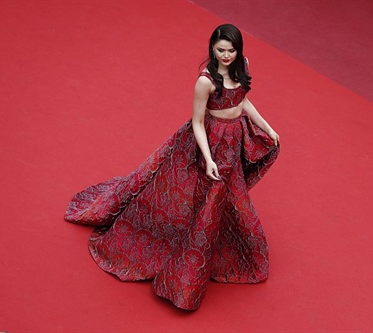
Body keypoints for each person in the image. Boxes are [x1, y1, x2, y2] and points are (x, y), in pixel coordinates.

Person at [65, 23, 280, 310]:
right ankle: (185, 281)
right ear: (212, 49)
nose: (226, 56)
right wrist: (208, 158)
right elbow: (198, 122)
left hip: (232, 144)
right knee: (204, 201)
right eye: (220, 50)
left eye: (231, 50)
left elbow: (243, 102)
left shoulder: (243, 68)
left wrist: (267, 127)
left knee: (232, 201)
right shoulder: (205, 81)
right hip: (209, 145)